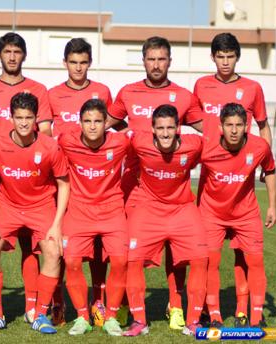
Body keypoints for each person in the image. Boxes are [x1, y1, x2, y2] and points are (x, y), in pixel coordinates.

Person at [108, 36, 203, 330]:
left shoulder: (185, 96)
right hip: (134, 187)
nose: (156, 64)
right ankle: (126, 307)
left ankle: (176, 306)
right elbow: (107, 124)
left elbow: (208, 132)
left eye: (162, 59)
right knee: (126, 253)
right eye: (151, 58)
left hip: (171, 185)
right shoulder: (127, 92)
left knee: (177, 253)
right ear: (143, 60)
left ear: (170, 62)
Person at [0, 32, 53, 323]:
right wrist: (0, 153)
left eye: (17, 52)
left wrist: (19, 154)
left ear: (24, 55)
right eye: (7, 51)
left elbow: (44, 132)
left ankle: (33, 307)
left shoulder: (38, 89)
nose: (12, 56)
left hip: (28, 179)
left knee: (31, 247)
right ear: (0, 55)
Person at [194, 33, 272, 326]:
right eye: (220, 56)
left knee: (245, 253)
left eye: (230, 56)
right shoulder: (201, 85)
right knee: (208, 255)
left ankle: (245, 309)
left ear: (237, 57)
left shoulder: (253, 88)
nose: (225, 62)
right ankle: (207, 308)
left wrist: (265, 163)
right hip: (211, 178)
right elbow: (194, 122)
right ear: (213, 57)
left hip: (241, 179)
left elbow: (263, 126)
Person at [0, 92, 70, 334]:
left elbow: (64, 184)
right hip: (8, 205)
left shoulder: (50, 146)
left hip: (41, 206)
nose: (23, 123)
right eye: (19, 117)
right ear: (11, 117)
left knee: (53, 251)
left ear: (35, 118)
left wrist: (57, 224)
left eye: (28, 117)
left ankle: (40, 314)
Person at [123, 104, 208, 337]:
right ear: (152, 129)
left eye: (171, 127)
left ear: (178, 128)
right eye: (160, 128)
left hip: (182, 209)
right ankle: (139, 320)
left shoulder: (194, 144)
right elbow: (115, 141)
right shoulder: (139, 142)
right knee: (132, 260)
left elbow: (217, 150)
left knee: (201, 259)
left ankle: (193, 321)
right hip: (148, 209)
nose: (166, 133)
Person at [48, 37, 114, 326]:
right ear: (65, 63)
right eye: (73, 62)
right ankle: (59, 301)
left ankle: (99, 300)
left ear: (90, 63)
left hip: (95, 180)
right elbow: (45, 136)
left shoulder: (102, 92)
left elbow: (112, 130)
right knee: (64, 246)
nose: (78, 67)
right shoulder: (52, 95)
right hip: (63, 178)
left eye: (83, 62)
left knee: (100, 246)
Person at [198, 103, 276, 328]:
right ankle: (213, 315)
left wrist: (272, 206)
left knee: (255, 261)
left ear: (246, 126)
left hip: (246, 213)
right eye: (229, 125)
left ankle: (254, 316)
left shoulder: (259, 146)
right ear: (220, 126)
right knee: (210, 262)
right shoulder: (206, 148)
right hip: (212, 213)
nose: (234, 130)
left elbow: (270, 170)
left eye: (239, 125)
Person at [58, 99, 129, 336]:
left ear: (106, 123)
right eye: (87, 121)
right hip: (79, 211)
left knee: (120, 261)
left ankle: (111, 317)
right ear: (79, 123)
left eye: (98, 121)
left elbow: (148, 141)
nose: (92, 126)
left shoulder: (120, 142)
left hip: (112, 210)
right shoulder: (67, 141)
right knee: (71, 262)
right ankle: (81, 316)